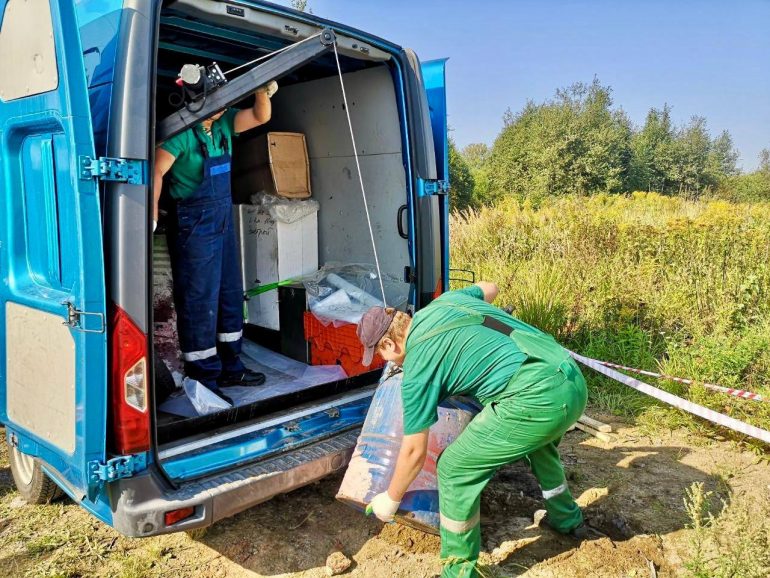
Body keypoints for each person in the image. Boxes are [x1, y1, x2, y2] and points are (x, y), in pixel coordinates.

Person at [358, 282, 589, 578]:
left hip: (537, 397)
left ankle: (459, 571)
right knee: (535, 441)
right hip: (569, 378)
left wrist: (390, 500)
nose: (388, 362)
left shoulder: (417, 369)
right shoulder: (446, 302)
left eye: (381, 355)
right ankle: (566, 519)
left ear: (389, 345)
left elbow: (414, 451)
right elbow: (490, 288)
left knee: (454, 468)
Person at [153, 80, 279, 404]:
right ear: (196, 103)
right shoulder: (180, 133)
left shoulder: (223, 122)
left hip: (221, 221)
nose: (222, 107)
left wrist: (262, 91)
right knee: (199, 301)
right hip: (194, 225)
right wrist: (151, 213)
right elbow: (155, 172)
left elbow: (260, 117)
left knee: (229, 294)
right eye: (216, 102)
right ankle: (204, 378)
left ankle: (231, 366)